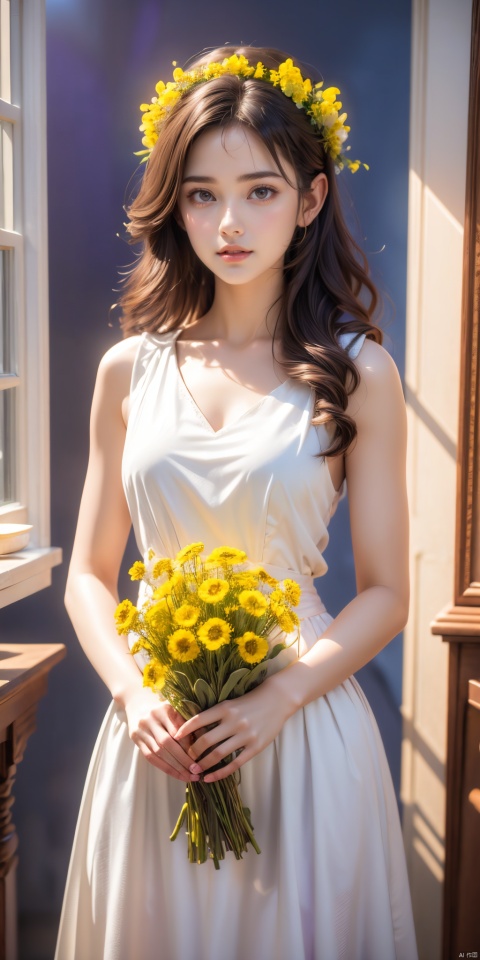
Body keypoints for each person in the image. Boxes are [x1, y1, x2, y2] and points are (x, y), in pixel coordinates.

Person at [54, 44, 419, 960]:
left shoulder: (358, 374)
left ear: (312, 199)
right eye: (202, 193)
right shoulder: (128, 371)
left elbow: (386, 593)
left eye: (260, 190)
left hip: (300, 732)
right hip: (159, 737)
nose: (229, 221)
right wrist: (136, 692)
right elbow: (92, 576)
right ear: (175, 205)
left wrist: (277, 699)